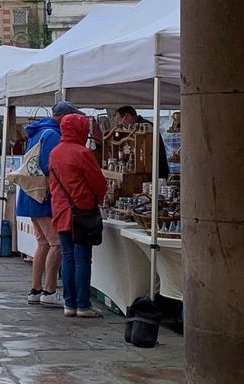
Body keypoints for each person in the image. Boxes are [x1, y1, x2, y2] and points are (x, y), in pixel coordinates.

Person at [19, 101, 82, 308]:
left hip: (30, 194)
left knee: (43, 243)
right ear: (64, 117)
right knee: (55, 243)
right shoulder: (53, 134)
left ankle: (36, 290)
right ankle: (49, 291)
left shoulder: (37, 131)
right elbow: (51, 167)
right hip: (43, 196)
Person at [49, 112, 108, 319]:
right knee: (83, 259)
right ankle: (83, 305)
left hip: (61, 211)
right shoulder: (83, 153)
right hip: (82, 211)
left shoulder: (55, 152)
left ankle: (69, 304)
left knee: (68, 258)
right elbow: (98, 183)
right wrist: (96, 199)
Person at [115, 105, 171, 177]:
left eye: (119, 120)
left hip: (155, 171)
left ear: (128, 116)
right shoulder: (136, 128)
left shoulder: (146, 126)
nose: (120, 124)